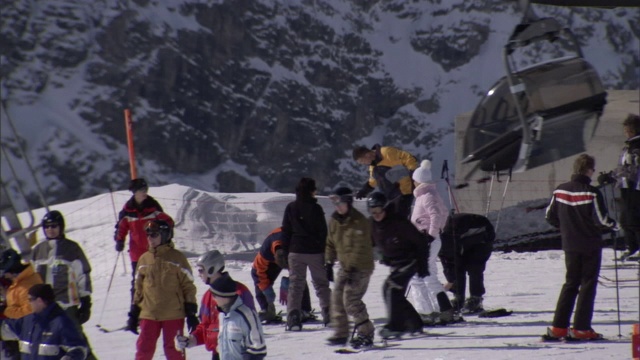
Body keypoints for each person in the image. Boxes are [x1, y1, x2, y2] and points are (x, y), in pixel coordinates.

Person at [544, 153, 618, 340]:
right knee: (587, 285)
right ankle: (581, 328)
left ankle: (559, 327)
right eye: (592, 169)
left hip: (569, 243)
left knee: (570, 283)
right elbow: (601, 219)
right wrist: (614, 225)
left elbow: (549, 216)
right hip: (590, 244)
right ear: (588, 170)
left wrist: (566, 227)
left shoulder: (560, 191)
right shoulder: (591, 192)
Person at [125, 214, 199, 360]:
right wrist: (134, 311)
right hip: (149, 313)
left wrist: (191, 311)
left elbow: (188, 285)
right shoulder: (144, 258)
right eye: (148, 235)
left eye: (154, 235)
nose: (150, 239)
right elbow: (138, 287)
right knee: (144, 349)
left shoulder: (177, 258)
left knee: (174, 350)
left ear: (165, 235)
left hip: (173, 314)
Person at [31, 210, 96, 359]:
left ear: (61, 227)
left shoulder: (71, 248)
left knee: (76, 342)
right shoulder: (38, 250)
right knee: (48, 345)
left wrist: (86, 302)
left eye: (54, 226)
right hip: (45, 307)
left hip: (66, 306)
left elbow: (83, 275)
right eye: (46, 227)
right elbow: (33, 279)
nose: (50, 230)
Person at [368, 192, 429, 339]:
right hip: (396, 263)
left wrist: (423, 265)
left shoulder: (398, 222)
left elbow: (421, 242)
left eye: (379, 211)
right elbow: (371, 242)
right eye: (372, 211)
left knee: (393, 289)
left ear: (385, 208)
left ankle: (396, 326)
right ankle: (414, 324)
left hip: (410, 260)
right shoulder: (372, 224)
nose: (376, 214)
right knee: (388, 290)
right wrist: (383, 256)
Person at [174, 250, 254, 360]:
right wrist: (191, 340)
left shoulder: (239, 292)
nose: (199, 274)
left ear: (212, 269)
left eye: (201, 270)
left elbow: (251, 326)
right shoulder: (208, 296)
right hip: (217, 354)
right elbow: (205, 327)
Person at [324, 187, 376, 349]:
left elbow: (360, 248)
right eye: (335, 203)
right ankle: (341, 333)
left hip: (361, 267)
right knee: (337, 299)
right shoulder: (334, 220)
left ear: (348, 202)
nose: (337, 207)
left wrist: (352, 267)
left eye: (340, 203)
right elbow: (330, 243)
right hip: (345, 266)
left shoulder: (359, 221)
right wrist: (328, 262)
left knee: (351, 301)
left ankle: (366, 332)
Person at [408, 160, 457, 325]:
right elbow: (442, 215)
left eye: (414, 180)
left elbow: (435, 216)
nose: (412, 182)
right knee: (429, 275)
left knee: (417, 276)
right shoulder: (430, 194)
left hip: (427, 240)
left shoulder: (426, 196)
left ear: (418, 181)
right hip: (430, 239)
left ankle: (426, 312)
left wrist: (430, 235)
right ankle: (442, 309)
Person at [280, 177, 331, 331]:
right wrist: (326, 253)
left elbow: (286, 230)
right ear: (311, 191)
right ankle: (329, 314)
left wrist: (285, 251)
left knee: (296, 285)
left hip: (295, 251)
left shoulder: (291, 207)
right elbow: (323, 232)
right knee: (321, 284)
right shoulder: (316, 209)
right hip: (315, 251)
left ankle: (293, 317)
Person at [0, 283, 88, 360]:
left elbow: (79, 348)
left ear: (39, 301)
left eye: (30, 299)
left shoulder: (61, 323)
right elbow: (4, 329)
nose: (29, 303)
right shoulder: (27, 321)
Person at [114, 178, 164, 300]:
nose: (145, 192)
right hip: (137, 253)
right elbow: (121, 227)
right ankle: (136, 309)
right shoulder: (128, 210)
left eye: (146, 189)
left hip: (154, 250)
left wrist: (164, 238)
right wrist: (119, 240)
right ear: (135, 192)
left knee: (157, 279)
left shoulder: (153, 206)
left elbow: (165, 223)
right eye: (142, 190)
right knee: (138, 282)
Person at [250, 227, 314, 323]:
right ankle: (267, 309)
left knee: (299, 279)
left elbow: (300, 270)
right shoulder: (265, 252)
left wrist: (290, 280)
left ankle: (304, 310)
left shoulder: (295, 244)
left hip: (292, 253)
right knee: (257, 276)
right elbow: (259, 272)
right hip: (272, 257)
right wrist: (266, 289)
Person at [439, 212, 495, 315]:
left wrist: (450, 282)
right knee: (458, 267)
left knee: (475, 267)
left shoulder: (444, 238)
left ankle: (476, 299)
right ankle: (459, 298)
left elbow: (449, 262)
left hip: (483, 234)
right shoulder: (440, 238)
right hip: (464, 236)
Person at [208, 275, 266, 360]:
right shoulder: (222, 316)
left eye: (215, 295)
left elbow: (258, 349)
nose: (213, 299)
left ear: (224, 296)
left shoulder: (246, 315)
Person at [352, 144, 418, 219]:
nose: (363, 164)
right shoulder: (373, 167)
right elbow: (373, 181)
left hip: (404, 192)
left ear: (367, 155)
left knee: (400, 221)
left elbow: (408, 158)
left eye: (362, 161)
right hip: (391, 197)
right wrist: (363, 191)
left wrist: (413, 172)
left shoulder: (387, 153)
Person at [0, 248, 43, 359]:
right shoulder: (19, 281)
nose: (5, 276)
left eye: (6, 273)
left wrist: (5, 310)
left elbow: (27, 312)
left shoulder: (26, 286)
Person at [615, 114, 640, 261]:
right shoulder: (628, 146)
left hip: (634, 187)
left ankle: (636, 247)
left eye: (627, 129)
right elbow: (622, 167)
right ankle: (631, 246)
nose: (625, 132)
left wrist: (614, 176)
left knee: (634, 218)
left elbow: (632, 169)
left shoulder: (636, 147)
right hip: (626, 186)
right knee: (625, 219)